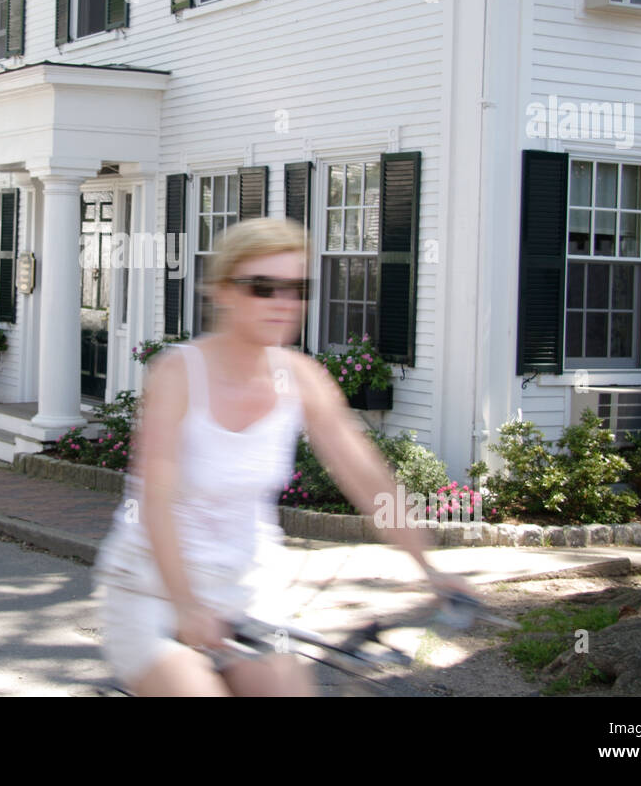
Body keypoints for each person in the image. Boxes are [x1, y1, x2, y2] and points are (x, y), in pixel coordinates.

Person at [92, 217, 473, 696]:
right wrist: (186, 604)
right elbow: (157, 501)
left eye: (297, 288)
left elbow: (368, 480)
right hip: (154, 588)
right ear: (224, 291)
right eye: (263, 287)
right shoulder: (179, 374)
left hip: (247, 590)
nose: (284, 303)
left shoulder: (302, 378)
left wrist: (431, 567)